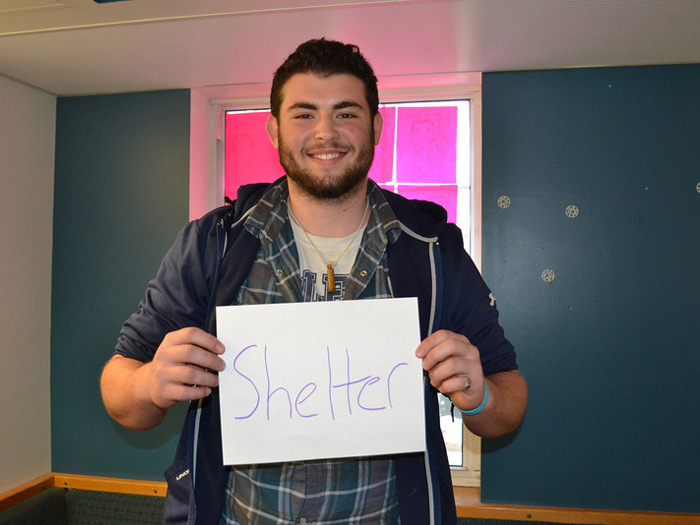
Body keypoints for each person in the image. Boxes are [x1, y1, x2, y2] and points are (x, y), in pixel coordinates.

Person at [100, 38, 527, 525]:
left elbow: (508, 403)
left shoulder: (432, 249)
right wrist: (151, 383)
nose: (326, 133)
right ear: (274, 128)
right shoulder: (212, 243)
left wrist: (480, 396)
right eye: (304, 114)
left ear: (376, 127)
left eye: (346, 114)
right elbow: (120, 391)